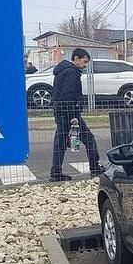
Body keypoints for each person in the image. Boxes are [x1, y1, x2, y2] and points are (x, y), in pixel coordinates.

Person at [49, 48, 104, 181]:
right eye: (84, 62)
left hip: (60, 110)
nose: (85, 65)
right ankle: (95, 167)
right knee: (88, 138)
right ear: (76, 59)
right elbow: (69, 95)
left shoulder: (62, 71)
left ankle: (56, 172)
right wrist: (73, 116)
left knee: (60, 143)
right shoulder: (71, 73)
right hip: (69, 112)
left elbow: (59, 93)